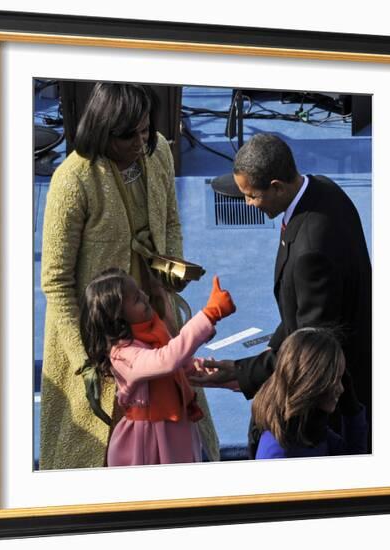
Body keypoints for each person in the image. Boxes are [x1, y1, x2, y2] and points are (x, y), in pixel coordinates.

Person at [39, 82, 220, 470]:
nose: (142, 141)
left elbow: (170, 220)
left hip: (153, 313)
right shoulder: (72, 180)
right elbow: (55, 280)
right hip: (98, 334)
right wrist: (84, 360)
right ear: (105, 132)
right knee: (100, 448)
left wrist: (170, 273)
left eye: (145, 129)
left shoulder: (157, 154)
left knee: (172, 416)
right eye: (130, 135)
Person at [192, 133, 372, 453]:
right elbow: (297, 318)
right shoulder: (323, 191)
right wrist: (251, 365)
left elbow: (310, 349)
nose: (247, 203)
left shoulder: (311, 252)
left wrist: (239, 373)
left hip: (331, 404)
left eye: (252, 196)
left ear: (276, 186)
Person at [79, 269, 236, 466]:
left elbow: (182, 367)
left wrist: (229, 375)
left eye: (140, 292)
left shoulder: (153, 332)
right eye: (136, 299)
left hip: (177, 430)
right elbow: (167, 360)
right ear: (118, 319)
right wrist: (210, 314)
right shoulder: (123, 355)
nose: (145, 297)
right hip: (147, 444)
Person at [253, 328, 367, 459]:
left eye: (342, 379)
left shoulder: (307, 427)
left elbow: (354, 460)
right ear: (311, 383)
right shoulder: (278, 453)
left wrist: (351, 409)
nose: (341, 389)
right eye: (334, 380)